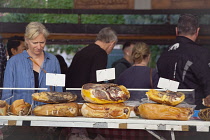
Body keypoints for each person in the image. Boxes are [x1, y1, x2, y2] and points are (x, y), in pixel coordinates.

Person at [157, 14, 210, 110]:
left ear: (176, 30)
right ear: (197, 31)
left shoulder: (164, 55)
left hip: (167, 112)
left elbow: (161, 85)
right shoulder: (202, 54)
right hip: (194, 114)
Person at [2, 22, 62, 105]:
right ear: (27, 40)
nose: (39, 47)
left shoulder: (53, 60)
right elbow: (7, 94)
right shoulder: (13, 62)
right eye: (35, 43)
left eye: (42, 42)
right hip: (21, 114)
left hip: (47, 114)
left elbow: (59, 91)